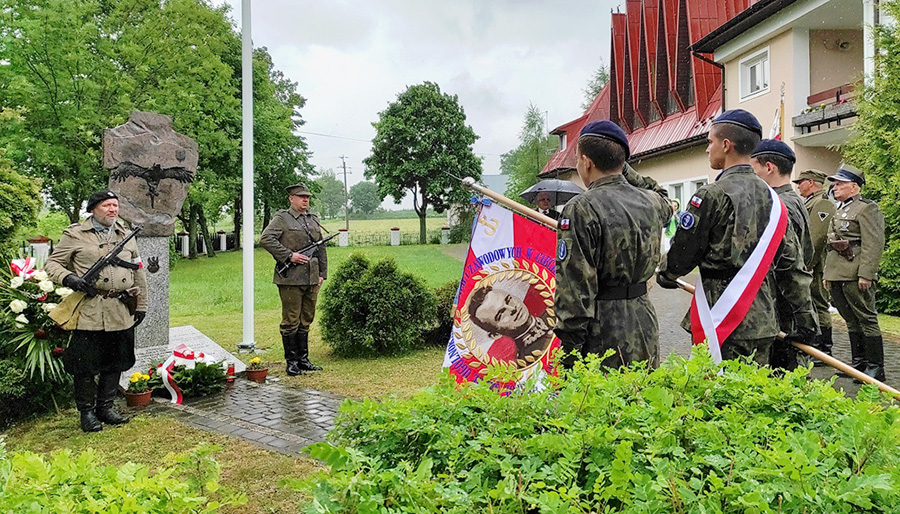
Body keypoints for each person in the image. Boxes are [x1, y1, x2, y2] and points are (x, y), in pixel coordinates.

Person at [657, 110, 816, 365]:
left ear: (726, 145)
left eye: (710, 142)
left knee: (716, 396)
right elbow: (792, 267)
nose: (708, 149)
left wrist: (667, 273)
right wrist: (807, 322)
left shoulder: (711, 195)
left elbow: (684, 251)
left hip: (718, 316)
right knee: (751, 397)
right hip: (762, 319)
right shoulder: (776, 200)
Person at [554, 120, 671, 369]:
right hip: (644, 322)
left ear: (587, 162)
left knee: (604, 404)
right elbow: (663, 195)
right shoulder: (651, 202)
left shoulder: (581, 208)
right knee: (644, 400)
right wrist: (621, 166)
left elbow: (574, 289)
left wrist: (570, 351)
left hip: (601, 330)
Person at [45, 190, 147, 432]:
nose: (112, 210)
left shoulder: (125, 234)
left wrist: (141, 305)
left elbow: (138, 271)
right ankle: (87, 413)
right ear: (93, 209)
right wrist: (69, 278)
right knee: (85, 365)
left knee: (116, 362)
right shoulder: (75, 234)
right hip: (90, 311)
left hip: (120, 309)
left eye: (115, 205)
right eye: (106, 205)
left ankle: (106, 408)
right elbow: (52, 263)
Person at [749, 139, 817, 369]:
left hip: (783, 308)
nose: (751, 176)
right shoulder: (794, 201)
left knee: (782, 373)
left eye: (753, 168)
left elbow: (792, 263)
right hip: (788, 303)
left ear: (769, 167)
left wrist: (802, 318)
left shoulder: (779, 205)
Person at [824, 163, 886, 380]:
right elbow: (831, 242)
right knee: (850, 319)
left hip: (854, 272)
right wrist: (826, 274)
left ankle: (875, 367)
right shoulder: (839, 208)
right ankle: (858, 363)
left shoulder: (867, 208)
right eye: (834, 183)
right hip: (837, 272)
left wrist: (866, 273)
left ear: (854, 187)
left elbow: (873, 243)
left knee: (866, 318)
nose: (835, 187)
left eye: (840, 183)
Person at [259, 183, 326, 376]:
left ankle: (303, 360)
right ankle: (292, 362)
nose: (305, 200)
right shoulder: (282, 218)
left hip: (311, 278)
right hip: (290, 279)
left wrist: (322, 274)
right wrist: (289, 255)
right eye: (301, 196)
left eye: (307, 197)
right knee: (291, 320)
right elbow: (266, 239)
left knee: (306, 319)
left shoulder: (312, 219)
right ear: (291, 198)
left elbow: (320, 248)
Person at [792, 169, 836, 357]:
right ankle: (817, 343)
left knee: (819, 302)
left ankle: (824, 347)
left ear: (811, 183)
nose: (798, 186)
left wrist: (808, 263)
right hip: (809, 262)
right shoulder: (811, 202)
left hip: (816, 264)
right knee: (811, 301)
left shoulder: (823, 203)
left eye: (801, 182)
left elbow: (817, 237)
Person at [469, 285, 554, 365]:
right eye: (501, 314)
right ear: (496, 334)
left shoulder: (556, 310)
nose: (512, 309)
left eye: (509, 300)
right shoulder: (528, 362)